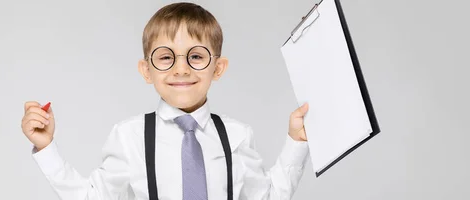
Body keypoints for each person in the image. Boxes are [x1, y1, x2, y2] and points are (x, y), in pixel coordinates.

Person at [21, 2, 310, 200]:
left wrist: (296, 141)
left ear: (218, 68)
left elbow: (268, 197)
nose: (181, 68)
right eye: (165, 57)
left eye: (196, 56)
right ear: (146, 70)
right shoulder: (129, 136)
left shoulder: (237, 136)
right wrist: (47, 149)